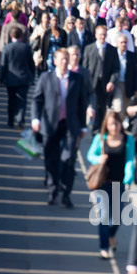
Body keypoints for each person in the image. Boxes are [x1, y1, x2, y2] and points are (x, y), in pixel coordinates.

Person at [31, 48, 87, 207]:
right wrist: (36, 119)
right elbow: (37, 100)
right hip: (50, 124)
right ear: (55, 61)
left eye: (66, 59)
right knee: (51, 159)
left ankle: (66, 193)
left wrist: (83, 127)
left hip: (70, 125)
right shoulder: (46, 78)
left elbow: (82, 104)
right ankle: (53, 190)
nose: (65, 62)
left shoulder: (77, 79)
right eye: (62, 59)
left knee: (69, 159)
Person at [87, 110, 135, 259]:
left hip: (119, 183)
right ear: (106, 126)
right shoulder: (101, 138)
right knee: (103, 216)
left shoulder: (128, 139)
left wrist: (128, 178)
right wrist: (98, 159)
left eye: (116, 123)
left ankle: (110, 236)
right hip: (103, 182)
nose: (114, 127)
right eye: (111, 124)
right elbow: (90, 154)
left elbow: (129, 159)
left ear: (121, 123)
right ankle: (104, 247)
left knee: (118, 217)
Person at [82, 25, 120, 132]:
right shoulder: (89, 49)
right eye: (100, 34)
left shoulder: (112, 50)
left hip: (105, 83)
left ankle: (102, 128)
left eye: (104, 34)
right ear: (96, 35)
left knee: (103, 106)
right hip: (92, 82)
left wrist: (112, 81)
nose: (102, 37)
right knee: (93, 105)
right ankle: (94, 128)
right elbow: (85, 67)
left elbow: (116, 68)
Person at [0, 26, 35, 130]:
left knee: (11, 100)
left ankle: (10, 120)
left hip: (10, 79)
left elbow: (3, 65)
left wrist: (0, 79)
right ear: (21, 36)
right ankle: (20, 121)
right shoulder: (26, 48)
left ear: (11, 36)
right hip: (24, 78)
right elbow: (31, 64)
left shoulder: (7, 48)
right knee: (22, 100)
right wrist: (32, 77)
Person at [111, 34, 137, 121]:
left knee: (126, 106)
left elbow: (135, 73)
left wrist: (136, 88)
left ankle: (123, 126)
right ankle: (119, 124)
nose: (124, 44)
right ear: (117, 43)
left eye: (125, 42)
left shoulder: (131, 55)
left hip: (128, 84)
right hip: (117, 84)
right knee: (118, 106)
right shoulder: (113, 54)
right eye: (121, 42)